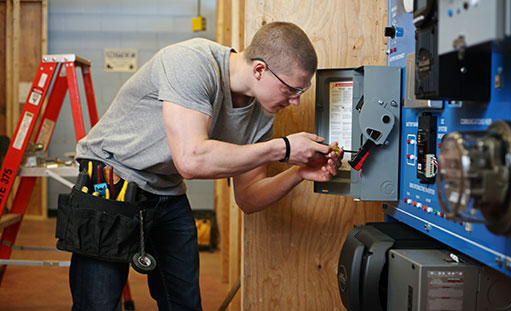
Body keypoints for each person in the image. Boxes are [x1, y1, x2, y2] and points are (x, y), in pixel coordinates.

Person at [71, 21, 343, 311]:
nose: (297, 101)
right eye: (291, 89)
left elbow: (249, 197)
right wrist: (284, 148)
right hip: (111, 178)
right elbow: (190, 160)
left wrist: (298, 172)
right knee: (97, 303)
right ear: (260, 70)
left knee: (185, 303)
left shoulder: (262, 112)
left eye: (302, 90)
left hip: (166, 187)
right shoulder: (191, 62)